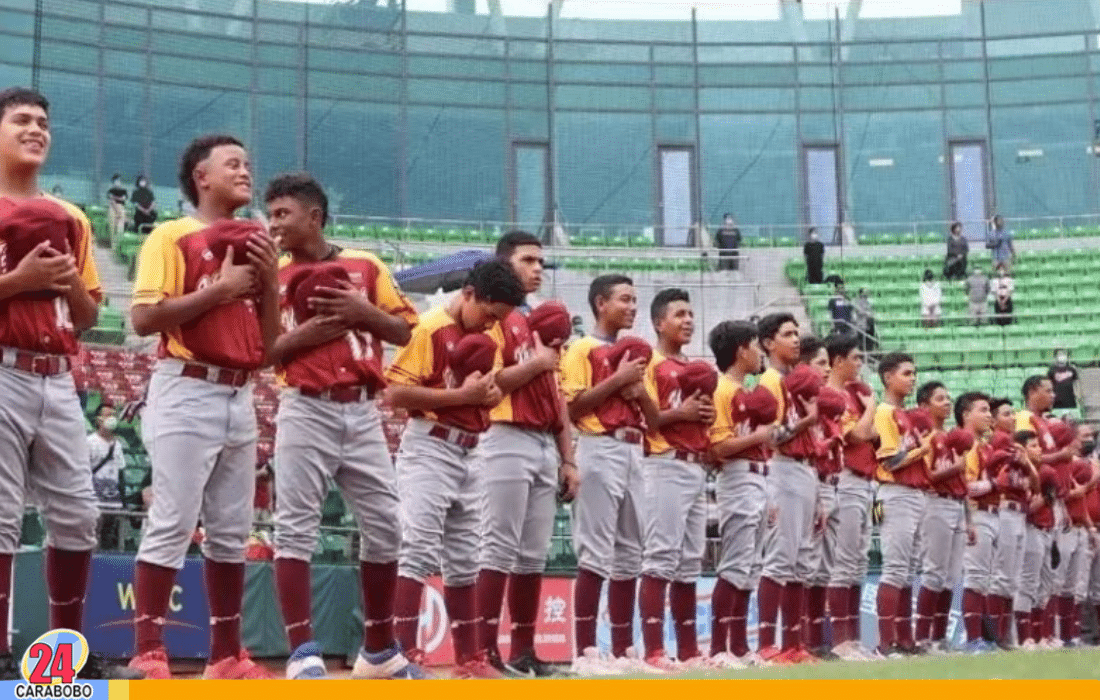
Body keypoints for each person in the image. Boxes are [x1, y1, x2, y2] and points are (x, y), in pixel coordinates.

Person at [0, 86, 142, 680]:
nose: (36, 129)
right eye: (22, 121)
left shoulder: (71, 218)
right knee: (2, 518)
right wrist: (21, 279)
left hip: (57, 374)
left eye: (43, 122)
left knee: (79, 518)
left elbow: (87, 317)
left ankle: (62, 661)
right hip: (3, 366)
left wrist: (64, 285)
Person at [127, 134, 281, 680]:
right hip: (185, 385)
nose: (245, 171)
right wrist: (221, 290)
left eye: (247, 162)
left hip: (239, 390)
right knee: (173, 519)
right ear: (202, 177)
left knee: (231, 529)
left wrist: (267, 283)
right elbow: (144, 320)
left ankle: (226, 655)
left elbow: (268, 349)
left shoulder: (257, 241)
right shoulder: (172, 234)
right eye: (232, 163)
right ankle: (148, 650)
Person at [263, 172, 424, 679]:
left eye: (283, 214)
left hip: (361, 409)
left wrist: (362, 310)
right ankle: (301, 652)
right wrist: (309, 333)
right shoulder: (272, 273)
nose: (274, 224)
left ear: (315, 216)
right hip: (304, 404)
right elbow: (262, 352)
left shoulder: (366, 265)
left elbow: (406, 331)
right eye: (270, 215)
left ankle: (378, 650)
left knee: (386, 528)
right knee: (295, 529)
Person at [387, 259, 524, 679]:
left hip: (471, 448)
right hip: (431, 443)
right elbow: (394, 392)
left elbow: (486, 390)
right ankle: (404, 656)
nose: (489, 326)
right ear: (468, 294)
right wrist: (463, 396)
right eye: (487, 314)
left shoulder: (486, 334)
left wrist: (484, 394)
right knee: (416, 550)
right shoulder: (430, 328)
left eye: (497, 319)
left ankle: (469, 660)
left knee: (465, 560)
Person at [476, 231, 578, 678]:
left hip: (541, 442)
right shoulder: (491, 315)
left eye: (541, 261)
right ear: (504, 264)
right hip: (504, 433)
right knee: (497, 547)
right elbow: (488, 384)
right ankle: (480, 651)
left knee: (532, 555)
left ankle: (522, 650)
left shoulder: (538, 322)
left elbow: (557, 396)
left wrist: (568, 457)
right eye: (527, 260)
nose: (537, 269)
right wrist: (537, 363)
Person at [562, 275, 659, 675]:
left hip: (634, 446)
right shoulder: (582, 347)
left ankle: (623, 650)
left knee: (630, 552)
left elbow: (654, 422)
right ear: (600, 303)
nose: (633, 307)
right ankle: (585, 651)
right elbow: (571, 408)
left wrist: (639, 393)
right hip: (598, 445)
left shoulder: (638, 353)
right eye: (624, 299)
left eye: (635, 300)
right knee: (596, 550)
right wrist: (618, 381)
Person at [637, 289, 714, 670]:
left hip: (696, 464)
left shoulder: (693, 366)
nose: (688, 320)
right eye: (679, 314)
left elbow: (699, 418)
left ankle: (687, 651)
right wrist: (682, 412)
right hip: (664, 460)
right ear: (657, 322)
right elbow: (647, 419)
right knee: (661, 556)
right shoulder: (649, 362)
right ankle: (653, 650)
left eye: (690, 313)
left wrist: (702, 414)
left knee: (689, 562)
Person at [706, 320, 775, 666]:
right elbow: (718, 447)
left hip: (759, 475)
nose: (760, 352)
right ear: (741, 351)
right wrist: (762, 435)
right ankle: (719, 649)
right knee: (735, 563)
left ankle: (739, 646)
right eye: (755, 345)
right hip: (738, 475)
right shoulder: (721, 389)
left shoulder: (744, 391)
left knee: (752, 566)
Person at [756, 313, 821, 664]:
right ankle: (768, 644)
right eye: (787, 334)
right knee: (781, 558)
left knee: (800, 562)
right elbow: (773, 435)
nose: (796, 340)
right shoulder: (770, 381)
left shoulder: (793, 380)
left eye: (797, 333)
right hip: (782, 468)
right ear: (768, 343)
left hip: (806, 471)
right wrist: (808, 421)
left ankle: (794, 645)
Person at [873, 352, 932, 657]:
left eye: (913, 373)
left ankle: (905, 639)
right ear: (887, 377)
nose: (912, 379)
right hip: (895, 492)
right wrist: (922, 451)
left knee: (909, 569)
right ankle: (885, 642)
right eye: (906, 373)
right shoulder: (884, 412)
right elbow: (890, 460)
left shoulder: (906, 415)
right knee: (895, 568)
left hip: (915, 493)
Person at [824, 334, 877, 660]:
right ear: (838, 359)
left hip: (865, 479)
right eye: (855, 358)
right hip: (844, 477)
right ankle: (840, 640)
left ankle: (854, 638)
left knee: (858, 562)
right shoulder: (833, 395)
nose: (859, 364)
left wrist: (866, 419)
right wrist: (871, 408)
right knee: (843, 561)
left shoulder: (854, 395)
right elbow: (857, 434)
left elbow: (874, 435)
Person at [913, 382, 973, 653]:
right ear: (924, 406)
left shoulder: (951, 437)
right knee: (934, 572)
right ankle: (922, 636)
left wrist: (969, 519)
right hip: (935, 502)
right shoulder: (925, 437)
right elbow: (926, 477)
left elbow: (962, 482)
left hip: (957, 504)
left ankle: (939, 637)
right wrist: (954, 469)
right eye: (940, 399)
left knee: (951, 576)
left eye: (948, 398)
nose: (947, 403)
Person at [957, 392, 998, 652]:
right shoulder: (967, 445)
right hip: (974, 513)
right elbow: (965, 486)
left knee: (985, 579)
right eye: (982, 410)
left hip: (991, 513)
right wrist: (994, 484)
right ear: (966, 415)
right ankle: (973, 639)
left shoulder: (984, 445)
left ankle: (985, 637)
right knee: (975, 578)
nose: (988, 415)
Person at [1048, 349, 1081, 413]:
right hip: (1057, 400)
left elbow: (1076, 383)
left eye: (1064, 354)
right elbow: (1049, 384)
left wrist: (1078, 395)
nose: (1062, 356)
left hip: (1070, 399)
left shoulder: (1072, 369)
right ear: (1056, 357)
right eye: (1060, 354)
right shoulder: (1051, 370)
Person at [106, 173, 128, 240]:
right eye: (116, 180)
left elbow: (123, 199)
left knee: (120, 226)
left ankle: (119, 241)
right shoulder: (111, 190)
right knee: (113, 225)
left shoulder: (124, 191)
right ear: (113, 182)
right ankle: (113, 242)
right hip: (112, 208)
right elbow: (111, 199)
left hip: (121, 208)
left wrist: (115, 198)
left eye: (119, 180)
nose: (118, 182)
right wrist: (118, 199)